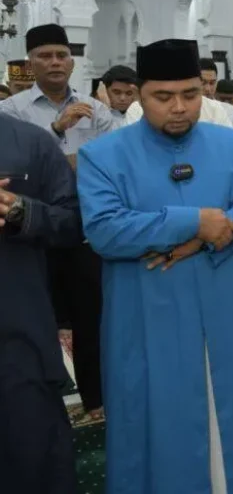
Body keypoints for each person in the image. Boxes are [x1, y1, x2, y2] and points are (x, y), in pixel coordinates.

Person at [76, 38, 233, 494]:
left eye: (190, 94)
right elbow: (105, 230)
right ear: (138, 94)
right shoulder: (102, 155)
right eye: (163, 97)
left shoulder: (231, 143)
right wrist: (194, 222)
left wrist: (205, 238)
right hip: (151, 313)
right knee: (159, 416)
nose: (179, 107)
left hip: (225, 305)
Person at [0, 23, 116, 421]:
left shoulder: (96, 109)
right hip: (26, 232)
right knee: (33, 317)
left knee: (90, 317)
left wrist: (61, 166)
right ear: (29, 62)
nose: (55, 62)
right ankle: (38, 396)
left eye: (61, 55)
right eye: (45, 55)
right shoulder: (10, 111)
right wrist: (56, 130)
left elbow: (110, 163)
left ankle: (95, 401)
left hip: (83, 225)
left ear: (72, 61)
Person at [0, 112, 82, 494]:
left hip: (17, 329)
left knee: (31, 447)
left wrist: (20, 211)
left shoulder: (31, 142)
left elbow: (73, 221)